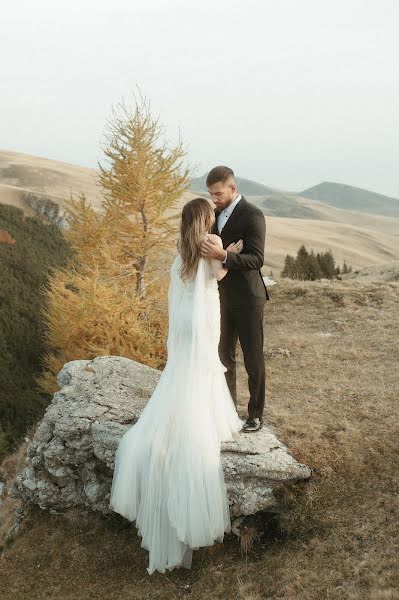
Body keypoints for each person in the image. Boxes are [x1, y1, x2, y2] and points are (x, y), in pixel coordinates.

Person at [109, 197, 243, 575]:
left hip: (184, 322)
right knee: (204, 367)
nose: (215, 217)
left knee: (183, 368)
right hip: (202, 319)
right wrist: (227, 252)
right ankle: (208, 416)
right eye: (211, 215)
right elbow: (219, 276)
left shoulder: (181, 252)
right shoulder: (208, 245)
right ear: (203, 220)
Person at [201, 166, 269, 433]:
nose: (214, 199)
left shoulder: (253, 215)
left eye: (218, 194)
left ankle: (255, 415)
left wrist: (224, 255)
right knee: (224, 356)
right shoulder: (215, 214)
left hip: (249, 299)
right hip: (222, 297)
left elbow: (256, 259)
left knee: (253, 358)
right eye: (210, 194)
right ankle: (227, 411)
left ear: (233, 188)